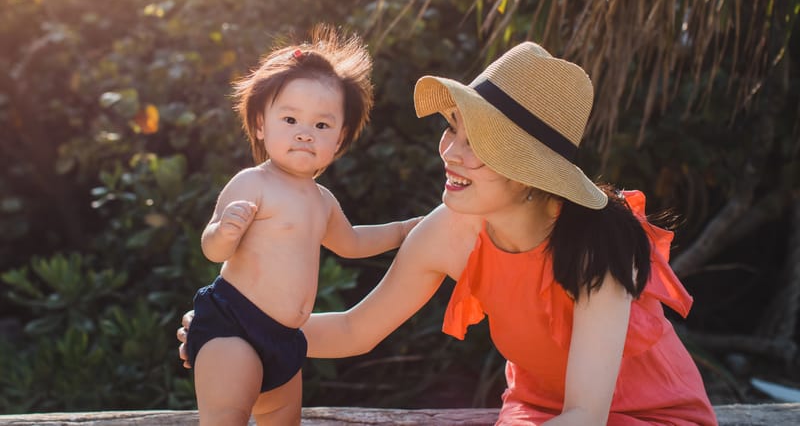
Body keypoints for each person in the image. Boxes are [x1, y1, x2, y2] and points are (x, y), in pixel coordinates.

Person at [180, 41, 717, 425]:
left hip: (646, 416)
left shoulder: (598, 247)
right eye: (452, 129)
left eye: (477, 144)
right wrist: (239, 330)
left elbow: (586, 414)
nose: (449, 153)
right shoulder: (451, 231)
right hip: (536, 414)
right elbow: (354, 330)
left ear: (531, 170)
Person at [184, 24, 420, 426]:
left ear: (340, 139)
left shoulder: (322, 201)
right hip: (232, 327)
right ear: (261, 124)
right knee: (228, 416)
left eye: (322, 126)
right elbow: (213, 250)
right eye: (290, 119)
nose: (305, 134)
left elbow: (351, 243)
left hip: (286, 339)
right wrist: (225, 231)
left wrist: (401, 231)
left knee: (283, 418)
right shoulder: (253, 183)